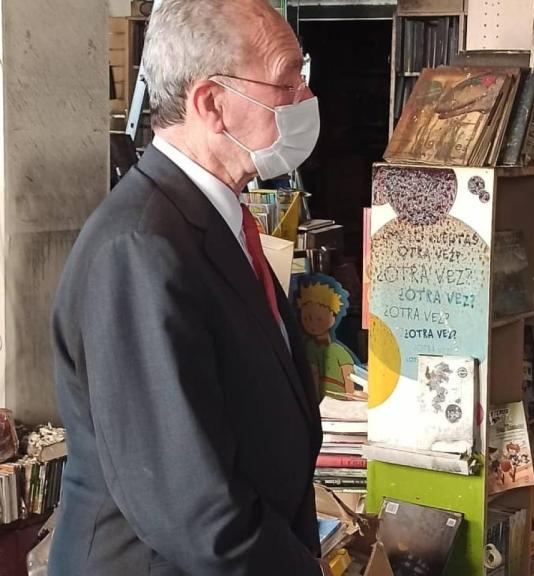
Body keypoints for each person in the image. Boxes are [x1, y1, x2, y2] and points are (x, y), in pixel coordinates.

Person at [50, 1, 328, 574]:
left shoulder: (211, 218)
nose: (306, 98)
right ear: (211, 104)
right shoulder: (143, 249)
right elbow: (190, 505)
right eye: (287, 79)